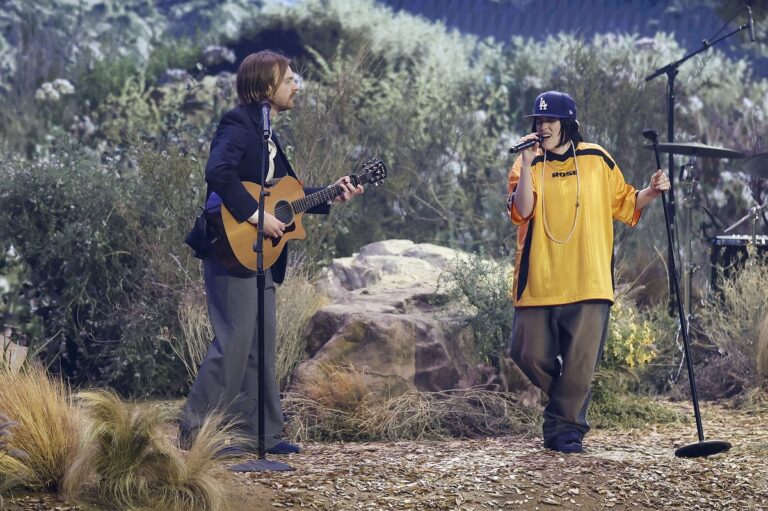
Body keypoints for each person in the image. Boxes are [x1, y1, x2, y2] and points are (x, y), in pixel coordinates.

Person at [180, 50, 363, 456]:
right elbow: (218, 173)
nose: (296, 86)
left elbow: (286, 196)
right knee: (233, 341)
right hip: (230, 248)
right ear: (266, 86)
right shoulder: (238, 123)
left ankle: (259, 434)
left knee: (260, 342)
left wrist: (332, 192)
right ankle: (195, 434)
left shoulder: (267, 135)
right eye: (289, 80)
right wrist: (256, 216)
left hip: (259, 253)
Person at [505, 91, 669, 453]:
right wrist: (528, 164)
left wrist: (652, 191)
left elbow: (625, 202)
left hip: (589, 279)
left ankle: (566, 431)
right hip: (539, 279)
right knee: (526, 353)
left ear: (568, 123)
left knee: (580, 363)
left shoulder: (597, 158)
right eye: (538, 121)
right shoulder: (525, 163)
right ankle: (569, 400)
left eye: (549, 120)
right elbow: (522, 210)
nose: (542, 126)